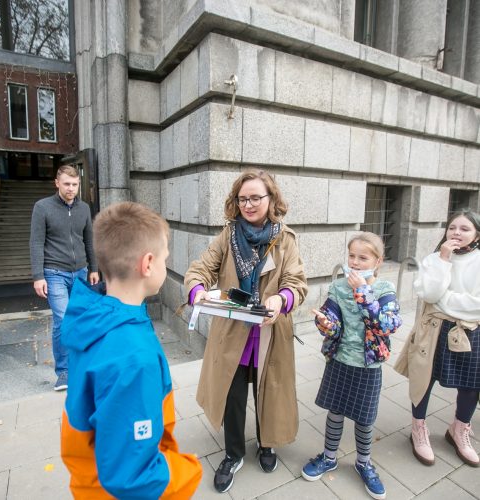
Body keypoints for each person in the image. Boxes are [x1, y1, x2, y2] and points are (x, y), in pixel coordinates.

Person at [60, 201, 202, 499]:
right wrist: (187, 471)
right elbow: (132, 476)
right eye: (165, 258)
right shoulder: (134, 359)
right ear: (147, 264)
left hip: (90, 479)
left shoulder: (93, 317)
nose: (166, 265)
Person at [185, 169, 307, 493]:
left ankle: (267, 444)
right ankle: (233, 454)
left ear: (271, 199)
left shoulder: (286, 239)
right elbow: (203, 267)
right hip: (233, 333)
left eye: (255, 197)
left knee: (269, 393)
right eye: (242, 199)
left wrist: (283, 299)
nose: (248, 204)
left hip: (270, 333)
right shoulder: (227, 236)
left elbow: (296, 283)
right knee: (233, 396)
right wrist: (197, 289)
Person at [302, 232, 402, 500]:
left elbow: (387, 325)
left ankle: (364, 463)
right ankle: (330, 457)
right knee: (335, 411)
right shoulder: (338, 288)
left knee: (365, 418)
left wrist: (364, 294)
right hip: (340, 360)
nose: (355, 263)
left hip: (368, 367)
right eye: (352, 256)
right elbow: (333, 323)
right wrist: (325, 322)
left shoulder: (385, 290)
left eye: (363, 257)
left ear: (377, 261)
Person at [395, 210, 480, 468]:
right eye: (452, 227)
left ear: (477, 234)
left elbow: (476, 304)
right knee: (424, 380)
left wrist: (447, 302)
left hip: (470, 331)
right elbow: (429, 294)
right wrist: (444, 260)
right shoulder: (434, 259)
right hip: (433, 330)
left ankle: (459, 428)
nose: (456, 232)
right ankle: (418, 429)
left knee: (471, 384)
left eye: (464, 228)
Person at [29, 165, 99, 391]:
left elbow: (89, 240)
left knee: (79, 318)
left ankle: (80, 364)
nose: (71, 189)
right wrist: (38, 275)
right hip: (54, 273)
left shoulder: (84, 209)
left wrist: (94, 268)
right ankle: (64, 371)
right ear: (57, 183)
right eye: (67, 184)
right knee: (63, 319)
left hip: (80, 272)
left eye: (75, 184)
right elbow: (36, 242)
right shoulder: (42, 207)